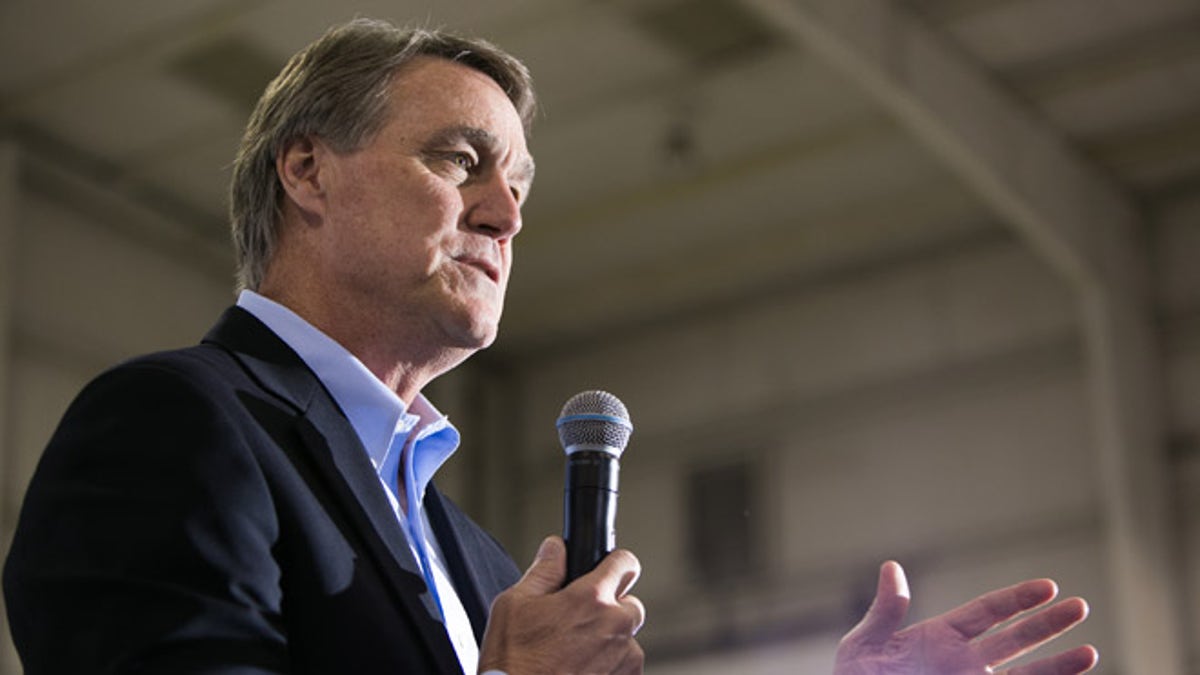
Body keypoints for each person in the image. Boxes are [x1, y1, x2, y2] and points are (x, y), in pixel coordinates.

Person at [2, 17, 1096, 675]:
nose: (505, 216)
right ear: (308, 172)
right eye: (459, 160)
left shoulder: (479, 565)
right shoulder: (174, 424)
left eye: (517, 187)